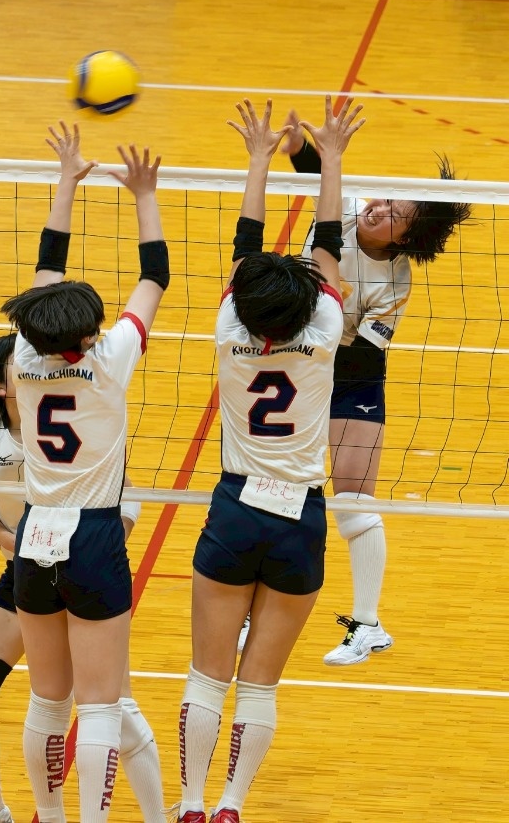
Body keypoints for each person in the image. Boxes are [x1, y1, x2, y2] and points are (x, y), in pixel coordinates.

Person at [173, 96, 363, 823]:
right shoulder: (326, 327)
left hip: (234, 509)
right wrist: (332, 158)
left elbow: (245, 248)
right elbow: (328, 243)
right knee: (259, 685)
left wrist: (256, 159)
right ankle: (230, 806)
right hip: (299, 518)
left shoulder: (230, 327)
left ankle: (191, 805)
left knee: (207, 676)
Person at [2, 122, 169, 823]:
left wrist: (65, 184)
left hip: (35, 532)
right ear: (90, 331)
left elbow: (46, 274)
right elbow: (154, 277)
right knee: (99, 704)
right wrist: (144, 196)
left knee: (46, 700)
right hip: (94, 536)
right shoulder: (111, 357)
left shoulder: (21, 355)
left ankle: (51, 816)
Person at [0, 334, 166, 823]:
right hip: (24, 572)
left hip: (86, 567)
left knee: (115, 709)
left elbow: (128, 496)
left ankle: (158, 816)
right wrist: (8, 537)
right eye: (22, 362)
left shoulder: (86, 421)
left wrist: (105, 543)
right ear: (0, 386)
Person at [282, 108, 471, 666]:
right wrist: (297, 145)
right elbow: (317, 173)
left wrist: (315, 332)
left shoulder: (396, 282)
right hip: (295, 366)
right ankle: (253, 610)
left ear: (407, 238)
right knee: (276, 491)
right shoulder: (344, 207)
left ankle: (368, 625)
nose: (378, 207)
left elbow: (364, 356)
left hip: (351, 379)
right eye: (385, 197)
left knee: (354, 504)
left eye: (394, 213)